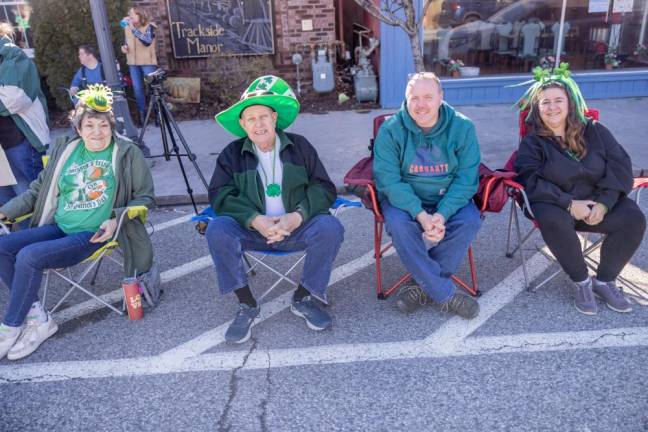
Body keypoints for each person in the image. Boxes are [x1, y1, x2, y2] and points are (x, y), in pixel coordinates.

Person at [0, 84, 155, 360]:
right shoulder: (66, 150)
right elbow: (38, 190)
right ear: (79, 128)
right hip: (58, 226)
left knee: (29, 256)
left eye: (103, 125)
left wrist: (116, 219)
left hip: (92, 233)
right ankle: (36, 316)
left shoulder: (127, 153)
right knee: (3, 247)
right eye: (90, 125)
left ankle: (11, 326)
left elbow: (145, 198)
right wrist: (6, 211)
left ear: (111, 126)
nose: (97, 132)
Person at [206, 75, 344, 344]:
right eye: (251, 119)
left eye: (263, 116)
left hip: (296, 228)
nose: (259, 124)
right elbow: (219, 195)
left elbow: (324, 188)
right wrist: (254, 220)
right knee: (217, 229)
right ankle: (246, 303)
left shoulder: (300, 146)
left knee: (331, 228)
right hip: (253, 231)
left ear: (274, 118)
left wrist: (296, 217)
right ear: (243, 125)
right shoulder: (231, 155)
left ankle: (303, 296)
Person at [514, 64, 645, 315]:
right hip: (555, 205)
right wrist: (569, 203)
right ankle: (582, 282)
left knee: (633, 218)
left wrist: (604, 203)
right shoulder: (533, 142)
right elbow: (530, 180)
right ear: (537, 109)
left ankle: (604, 281)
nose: (552, 108)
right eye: (545, 103)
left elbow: (620, 166)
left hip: (597, 202)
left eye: (558, 101)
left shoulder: (595, 131)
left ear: (570, 103)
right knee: (550, 216)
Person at [373, 72, 482, 318]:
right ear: (406, 99)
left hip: (449, 198)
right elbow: (388, 181)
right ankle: (444, 293)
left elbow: (467, 179)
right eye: (414, 98)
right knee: (399, 224)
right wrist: (422, 216)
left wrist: (442, 215)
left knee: (470, 220)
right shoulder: (390, 130)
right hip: (407, 199)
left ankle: (421, 287)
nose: (421, 105)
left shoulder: (462, 127)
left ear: (441, 97)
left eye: (428, 97)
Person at [0, 22, 49, 209]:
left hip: (20, 143)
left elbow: (13, 98)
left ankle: (39, 238)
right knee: (7, 209)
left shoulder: (11, 54)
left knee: (29, 204)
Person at [120, 7, 157, 123]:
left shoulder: (150, 26)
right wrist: (124, 48)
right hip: (133, 63)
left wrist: (132, 28)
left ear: (140, 16)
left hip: (147, 62)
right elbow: (126, 43)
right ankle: (143, 115)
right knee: (137, 89)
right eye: (129, 14)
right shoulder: (127, 27)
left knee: (153, 87)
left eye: (133, 15)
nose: (130, 17)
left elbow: (147, 41)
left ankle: (157, 114)